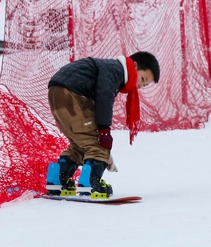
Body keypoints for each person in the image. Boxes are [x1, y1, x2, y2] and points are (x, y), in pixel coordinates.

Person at [44, 52, 160, 198]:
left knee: (81, 144)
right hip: (72, 93)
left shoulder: (110, 67)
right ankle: (91, 183)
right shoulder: (116, 69)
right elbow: (104, 97)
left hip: (57, 93)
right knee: (98, 145)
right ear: (135, 65)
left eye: (144, 85)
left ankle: (58, 179)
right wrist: (104, 130)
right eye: (142, 79)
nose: (140, 85)